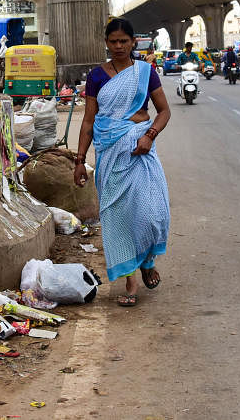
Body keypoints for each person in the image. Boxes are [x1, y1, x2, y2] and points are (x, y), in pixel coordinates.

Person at [73, 18, 171, 307]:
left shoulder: (145, 73)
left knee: (152, 213)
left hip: (140, 151)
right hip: (109, 153)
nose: (118, 46)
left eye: (123, 41)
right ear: (106, 42)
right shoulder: (96, 76)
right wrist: (79, 160)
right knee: (117, 217)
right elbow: (89, 120)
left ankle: (148, 259)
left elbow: (163, 112)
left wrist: (150, 136)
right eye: (113, 41)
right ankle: (131, 280)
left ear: (133, 43)